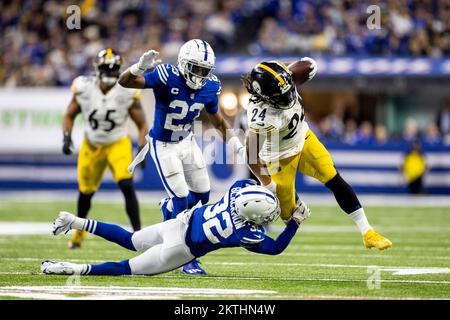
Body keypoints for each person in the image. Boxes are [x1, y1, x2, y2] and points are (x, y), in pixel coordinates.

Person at [118, 39, 245, 274]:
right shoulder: (167, 75)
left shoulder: (210, 86)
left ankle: (169, 211)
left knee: (202, 197)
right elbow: (124, 81)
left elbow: (216, 118)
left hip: (187, 141)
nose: (199, 75)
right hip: (163, 144)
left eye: (204, 70)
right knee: (181, 197)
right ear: (183, 63)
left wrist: (235, 143)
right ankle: (184, 258)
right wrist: (138, 67)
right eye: (195, 68)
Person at [242, 59, 392, 250]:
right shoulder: (261, 117)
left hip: (303, 139)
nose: (288, 96)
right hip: (278, 158)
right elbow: (251, 156)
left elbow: (307, 64)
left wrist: (302, 67)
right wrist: (267, 183)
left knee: (333, 177)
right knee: (289, 215)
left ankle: (367, 231)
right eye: (281, 95)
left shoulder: (282, 80)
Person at [41, 180, 310, 276]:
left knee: (129, 238)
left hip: (177, 223)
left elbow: (248, 187)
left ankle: (74, 221)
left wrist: (270, 191)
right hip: (179, 249)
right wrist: (294, 222)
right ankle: (72, 269)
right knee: (126, 267)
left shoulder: (235, 190)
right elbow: (274, 248)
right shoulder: (243, 233)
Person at [62, 48, 148, 249]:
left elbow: (143, 124)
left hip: (117, 142)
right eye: (106, 68)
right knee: (85, 194)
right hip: (92, 145)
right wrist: (66, 136)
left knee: (126, 185)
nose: (110, 72)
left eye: (114, 68)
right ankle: (78, 235)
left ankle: (139, 235)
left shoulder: (127, 90)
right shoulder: (84, 87)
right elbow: (69, 115)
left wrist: (142, 147)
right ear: (97, 69)